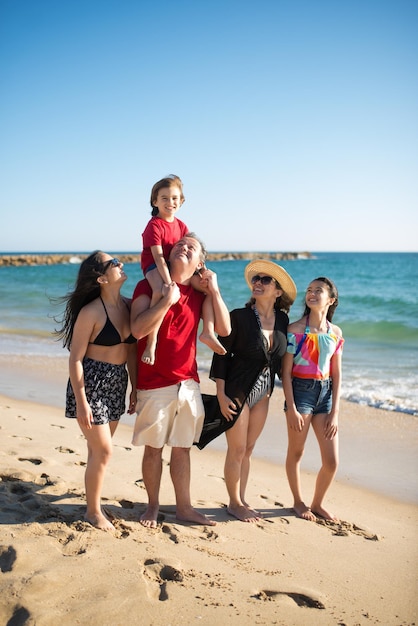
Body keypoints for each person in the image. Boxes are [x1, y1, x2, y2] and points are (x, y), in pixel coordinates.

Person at [131, 233, 231, 528]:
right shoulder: (146, 286)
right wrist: (166, 302)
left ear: (200, 262)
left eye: (192, 248)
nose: (183, 248)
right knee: (153, 448)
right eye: (178, 245)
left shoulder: (201, 295)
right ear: (168, 255)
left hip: (188, 382)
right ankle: (152, 506)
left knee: (183, 448)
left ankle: (184, 508)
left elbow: (223, 331)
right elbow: (137, 330)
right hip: (153, 382)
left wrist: (214, 290)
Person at [55, 252, 137, 530]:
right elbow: (75, 358)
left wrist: (135, 387)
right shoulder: (91, 312)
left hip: (117, 380)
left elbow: (132, 350)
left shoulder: (128, 306)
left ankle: (94, 501)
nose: (120, 264)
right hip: (91, 383)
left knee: (97, 451)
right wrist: (82, 402)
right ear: (101, 278)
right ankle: (93, 512)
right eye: (113, 263)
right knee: (104, 451)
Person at [210, 260, 297, 522]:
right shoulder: (239, 316)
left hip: (264, 393)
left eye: (265, 280)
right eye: (256, 279)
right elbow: (221, 356)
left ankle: (241, 498)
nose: (258, 283)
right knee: (236, 450)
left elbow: (283, 362)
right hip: (237, 391)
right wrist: (221, 395)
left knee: (248, 449)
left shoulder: (283, 319)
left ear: (278, 292)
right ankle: (234, 503)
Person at [140, 174, 226, 365]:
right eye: (164, 198)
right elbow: (158, 257)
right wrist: (168, 281)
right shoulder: (154, 225)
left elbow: (189, 249)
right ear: (155, 201)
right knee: (159, 290)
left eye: (174, 198)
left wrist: (203, 272)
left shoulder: (181, 225)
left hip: (172, 264)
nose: (170, 202)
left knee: (205, 287)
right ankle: (151, 342)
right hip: (154, 265)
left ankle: (208, 332)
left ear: (181, 201)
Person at [281, 277, 344, 522]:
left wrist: (335, 411)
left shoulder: (335, 333)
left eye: (318, 290)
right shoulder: (295, 330)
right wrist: (292, 408)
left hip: (326, 395)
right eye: (309, 290)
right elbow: (285, 372)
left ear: (331, 300)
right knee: (296, 452)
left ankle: (317, 503)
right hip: (300, 392)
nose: (312, 294)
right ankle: (298, 502)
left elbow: (337, 373)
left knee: (332, 461)